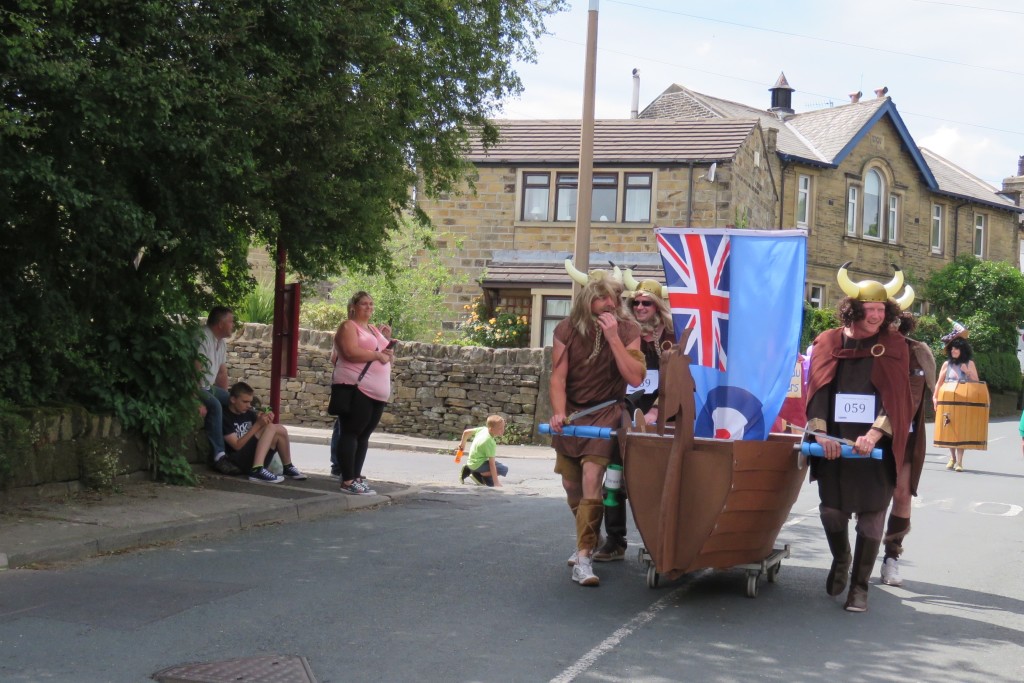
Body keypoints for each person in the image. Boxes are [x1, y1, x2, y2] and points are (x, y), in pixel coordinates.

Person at [805, 262, 914, 612]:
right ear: (853, 309)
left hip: (875, 449)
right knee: (831, 512)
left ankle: (859, 587)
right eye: (871, 309)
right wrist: (821, 435)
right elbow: (817, 389)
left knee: (871, 518)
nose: (877, 316)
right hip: (834, 445)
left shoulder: (894, 344)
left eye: (882, 309)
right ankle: (841, 559)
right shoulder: (828, 341)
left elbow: (897, 398)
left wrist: (874, 434)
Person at [551, 262, 645, 587]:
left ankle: (584, 557)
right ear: (587, 298)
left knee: (593, 477)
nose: (609, 304)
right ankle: (588, 538)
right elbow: (558, 378)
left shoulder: (629, 330)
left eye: (613, 298)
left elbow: (635, 377)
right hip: (572, 416)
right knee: (571, 486)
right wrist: (558, 412)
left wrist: (614, 338)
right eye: (602, 297)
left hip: (606, 413)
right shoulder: (566, 329)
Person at [593, 277, 673, 563]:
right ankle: (615, 541)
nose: (639, 307)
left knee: (660, 482)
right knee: (614, 478)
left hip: (664, 420)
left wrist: (657, 411)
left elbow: (681, 380)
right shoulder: (625, 333)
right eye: (635, 302)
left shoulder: (673, 338)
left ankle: (661, 540)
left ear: (658, 306)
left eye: (646, 303)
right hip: (624, 413)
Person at [880, 312, 936, 587]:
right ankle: (855, 557)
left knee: (901, 494)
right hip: (861, 434)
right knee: (865, 496)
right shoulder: (865, 347)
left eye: (895, 322)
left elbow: (913, 397)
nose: (891, 327)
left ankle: (891, 557)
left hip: (905, 434)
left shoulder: (916, 352)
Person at [333, 291, 394, 495]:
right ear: (353, 306)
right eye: (364, 304)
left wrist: (387, 345)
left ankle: (356, 476)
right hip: (357, 387)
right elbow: (349, 352)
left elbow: (387, 358)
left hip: (377, 392)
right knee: (351, 432)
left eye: (371, 304)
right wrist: (377, 354)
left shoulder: (374, 329)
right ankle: (347, 480)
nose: (369, 307)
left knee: (364, 435)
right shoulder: (348, 326)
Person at [222, 382, 308, 483]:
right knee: (271, 427)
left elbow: (264, 434)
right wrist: (258, 425)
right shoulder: (225, 416)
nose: (249, 406)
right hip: (237, 461)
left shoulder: (249, 414)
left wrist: (266, 420)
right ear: (233, 399)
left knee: (280, 429)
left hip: (252, 457)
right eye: (245, 402)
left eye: (250, 402)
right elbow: (236, 446)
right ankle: (257, 470)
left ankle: (287, 466)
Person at [197, 306, 240, 475]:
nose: (233, 325)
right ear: (220, 324)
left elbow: (222, 373)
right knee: (215, 405)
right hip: (197, 387)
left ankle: (235, 447)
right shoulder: (202, 337)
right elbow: (194, 370)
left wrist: (228, 400)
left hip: (209, 387)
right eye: (230, 321)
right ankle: (219, 456)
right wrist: (196, 399)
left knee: (234, 401)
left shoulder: (221, 342)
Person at [933, 335, 980, 472]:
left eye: (956, 349)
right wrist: (935, 397)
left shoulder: (970, 363)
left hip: (964, 402)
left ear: (962, 350)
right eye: (952, 348)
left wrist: (967, 372)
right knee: (950, 429)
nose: (953, 351)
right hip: (948, 401)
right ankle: (952, 457)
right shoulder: (946, 364)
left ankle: (959, 461)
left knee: (961, 431)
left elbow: (977, 382)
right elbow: (939, 383)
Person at [458, 415, 509, 487]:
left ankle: (469, 469)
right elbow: (492, 464)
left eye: (503, 427)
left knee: (497, 465)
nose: (503, 430)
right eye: (499, 428)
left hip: (471, 462)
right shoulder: (489, 442)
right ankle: (477, 474)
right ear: (491, 429)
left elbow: (466, 432)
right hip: (477, 465)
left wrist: (462, 444)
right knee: (504, 469)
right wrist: (496, 483)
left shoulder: (483, 429)